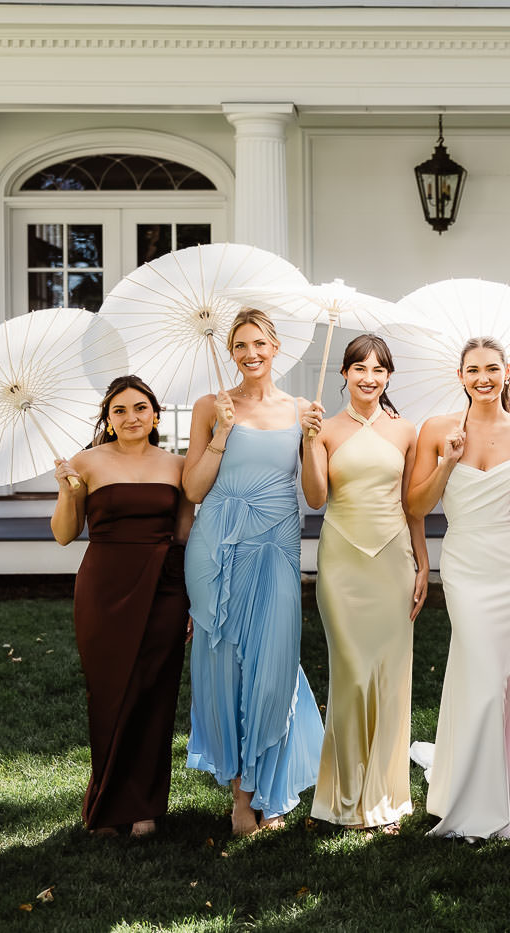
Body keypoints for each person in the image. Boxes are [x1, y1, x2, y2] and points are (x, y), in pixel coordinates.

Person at [406, 336, 510, 839]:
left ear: (507, 371)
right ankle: (474, 793)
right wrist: (447, 462)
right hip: (465, 564)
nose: (483, 378)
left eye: (492, 369)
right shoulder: (437, 430)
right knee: (480, 672)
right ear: (460, 376)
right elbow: (416, 505)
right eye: (473, 370)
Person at [182, 308, 325, 837]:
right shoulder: (210, 407)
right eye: (240, 345)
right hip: (217, 547)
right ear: (231, 352)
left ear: (275, 347)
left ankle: (270, 787)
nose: (250, 354)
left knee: (274, 667)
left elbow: (316, 496)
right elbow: (193, 489)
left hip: (276, 548)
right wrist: (222, 431)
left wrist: (311, 441)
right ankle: (243, 795)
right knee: (226, 667)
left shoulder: (302, 409)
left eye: (259, 343)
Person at [51, 374, 193, 838]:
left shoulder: (178, 466)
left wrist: (191, 597)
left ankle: (145, 807)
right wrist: (67, 491)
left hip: (165, 587)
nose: (131, 417)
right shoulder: (85, 462)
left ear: (156, 415)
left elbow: (184, 535)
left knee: (155, 693)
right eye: (120, 410)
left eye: (140, 408)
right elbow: (64, 534)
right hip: (104, 588)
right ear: (108, 420)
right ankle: (109, 805)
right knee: (108, 693)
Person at [301, 334, 429, 832]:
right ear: (344, 374)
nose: (369, 378)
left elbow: (413, 506)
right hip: (342, 563)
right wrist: (309, 442)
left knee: (391, 678)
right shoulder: (324, 428)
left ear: (388, 376)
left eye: (378, 370)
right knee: (352, 675)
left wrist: (423, 564)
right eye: (360, 368)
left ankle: (385, 797)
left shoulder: (406, 431)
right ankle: (343, 795)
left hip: (394, 561)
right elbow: (316, 498)